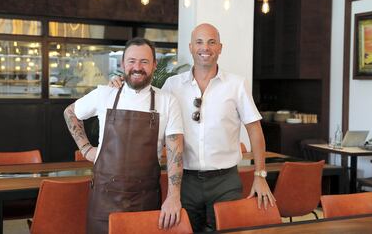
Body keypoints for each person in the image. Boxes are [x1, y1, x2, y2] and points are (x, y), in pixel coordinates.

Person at [110, 23, 275, 232]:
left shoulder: (237, 85)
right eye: (199, 42)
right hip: (185, 183)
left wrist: (260, 176)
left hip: (225, 181)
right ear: (190, 47)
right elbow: (142, 99)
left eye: (211, 42)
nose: (205, 48)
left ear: (220, 47)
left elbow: (255, 131)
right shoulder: (172, 85)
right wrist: (120, 85)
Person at [64, 37, 184, 234]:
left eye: (144, 62)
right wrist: (86, 149)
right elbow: (70, 113)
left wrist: (173, 197)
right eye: (132, 61)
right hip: (104, 200)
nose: (137, 67)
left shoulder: (167, 101)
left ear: (154, 65)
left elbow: (175, 153)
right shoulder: (105, 94)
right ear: (122, 64)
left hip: (146, 199)